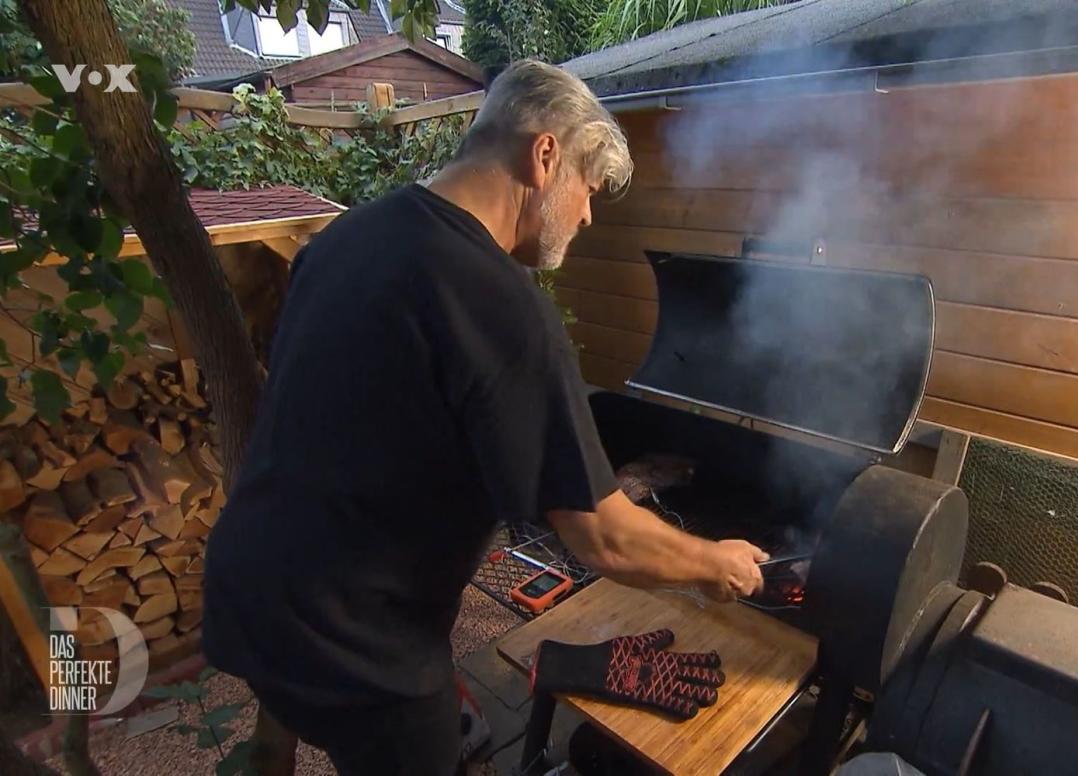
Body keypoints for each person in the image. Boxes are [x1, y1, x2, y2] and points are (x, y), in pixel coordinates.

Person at [202, 59, 768, 776]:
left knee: (274, 740)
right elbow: (604, 540)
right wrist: (713, 563)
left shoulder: (347, 238)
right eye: (588, 190)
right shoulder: (501, 304)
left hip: (252, 584)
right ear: (544, 157)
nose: (588, 215)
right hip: (359, 638)